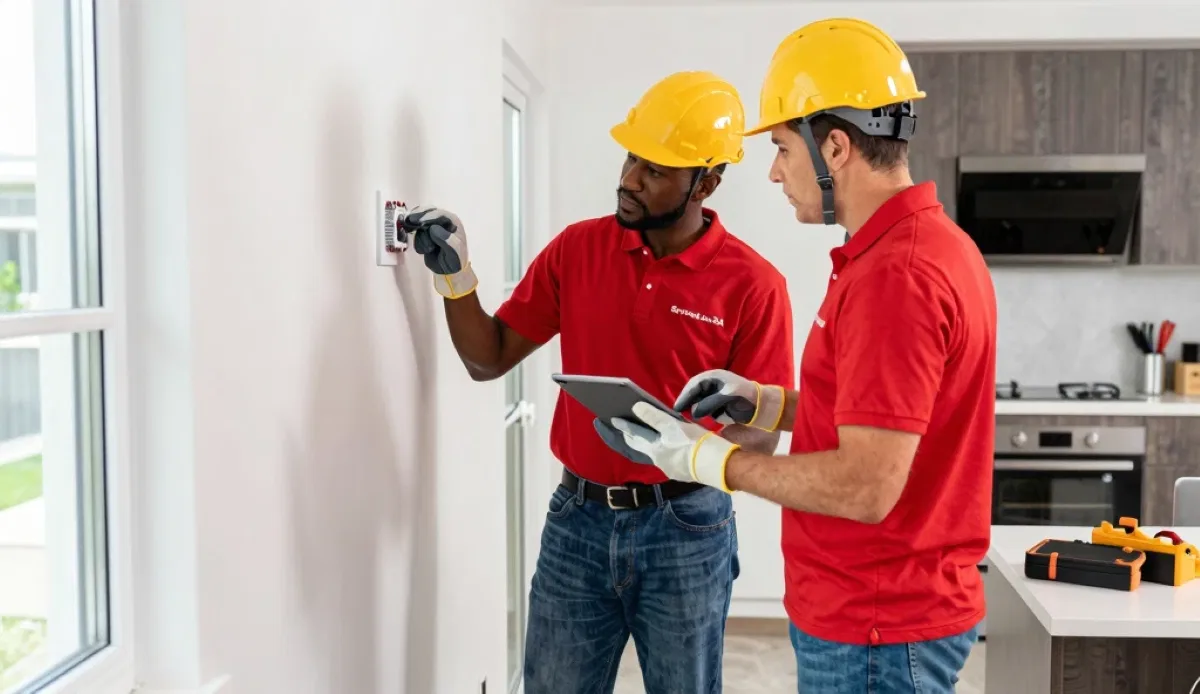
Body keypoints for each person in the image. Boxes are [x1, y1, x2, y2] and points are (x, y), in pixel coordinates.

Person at [594, 18, 997, 694]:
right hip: (887, 612)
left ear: (834, 146)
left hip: (874, 622)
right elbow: (888, 420)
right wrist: (763, 402)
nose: (775, 171)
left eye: (782, 146)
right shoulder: (926, 246)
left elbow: (867, 486)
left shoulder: (895, 276)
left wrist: (711, 460)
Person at [400, 70, 795, 694]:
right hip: (576, 524)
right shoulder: (577, 250)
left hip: (688, 531)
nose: (630, 179)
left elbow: (760, 442)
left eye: (657, 169)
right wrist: (456, 276)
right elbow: (488, 357)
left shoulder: (754, 285)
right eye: (632, 156)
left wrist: (690, 449)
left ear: (708, 182)